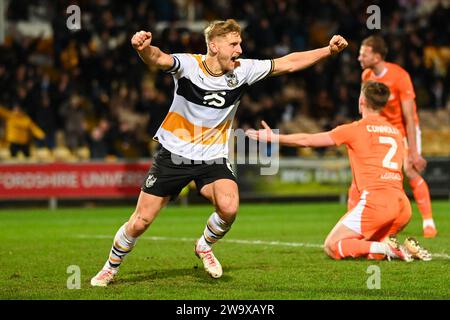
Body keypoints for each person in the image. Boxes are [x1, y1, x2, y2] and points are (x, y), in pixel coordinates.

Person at [91, 19, 348, 286]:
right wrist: (142, 48)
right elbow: (157, 59)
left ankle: (204, 245)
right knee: (140, 221)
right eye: (233, 44)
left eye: (240, 43)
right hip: (174, 155)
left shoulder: (243, 70)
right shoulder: (190, 66)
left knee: (229, 207)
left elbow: (288, 63)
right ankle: (111, 267)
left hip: (212, 157)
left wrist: (327, 51)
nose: (239, 49)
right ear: (213, 46)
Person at [246, 81, 431, 262]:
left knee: (332, 245)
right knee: (366, 249)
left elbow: (307, 140)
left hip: (378, 203)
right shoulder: (395, 132)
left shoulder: (354, 129)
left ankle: (386, 247)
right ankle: (392, 245)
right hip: (402, 206)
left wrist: (274, 137)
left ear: (362, 101)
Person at [352, 35, 437, 238]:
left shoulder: (400, 76)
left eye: (364, 54)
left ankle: (428, 223)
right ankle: (355, 223)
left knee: (410, 169)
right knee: (360, 178)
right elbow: (362, 108)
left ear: (377, 56)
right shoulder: (366, 76)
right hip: (378, 131)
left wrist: (414, 151)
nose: (359, 57)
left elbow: (409, 116)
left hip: (401, 131)